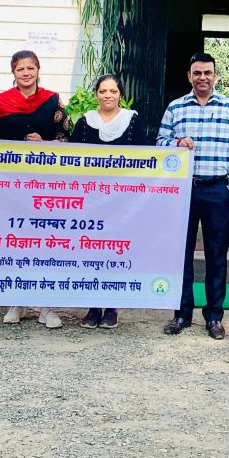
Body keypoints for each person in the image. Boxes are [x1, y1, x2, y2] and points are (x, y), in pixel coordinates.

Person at [156, 52, 229, 340]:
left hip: (217, 189)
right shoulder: (176, 107)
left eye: (208, 72)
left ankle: (214, 316)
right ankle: (181, 313)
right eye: (197, 73)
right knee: (181, 253)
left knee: (216, 254)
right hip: (183, 191)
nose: (203, 78)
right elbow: (160, 143)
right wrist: (177, 142)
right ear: (189, 76)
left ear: (215, 75)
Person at [0, 49, 69, 329]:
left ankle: (46, 306)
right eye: (20, 69)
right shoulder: (0, 102)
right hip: (12, 184)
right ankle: (17, 301)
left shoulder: (52, 101)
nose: (26, 73)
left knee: (45, 242)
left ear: (38, 70)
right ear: (13, 72)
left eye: (30, 68)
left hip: (47, 184)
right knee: (16, 240)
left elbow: (67, 139)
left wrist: (45, 143)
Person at [69, 73, 146, 330]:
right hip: (90, 199)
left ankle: (112, 307)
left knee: (114, 251)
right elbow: (72, 157)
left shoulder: (132, 120)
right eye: (103, 91)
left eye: (113, 91)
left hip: (121, 200)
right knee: (90, 250)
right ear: (96, 95)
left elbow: (144, 157)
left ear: (120, 94)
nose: (108, 96)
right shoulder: (85, 122)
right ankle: (93, 308)